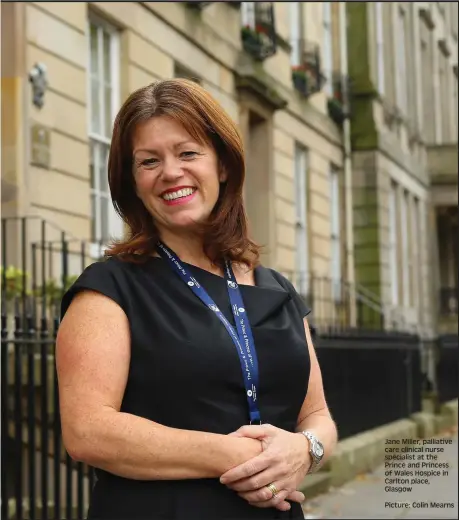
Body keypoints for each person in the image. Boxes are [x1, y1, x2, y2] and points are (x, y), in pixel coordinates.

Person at [56, 78, 338, 520]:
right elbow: (88, 431)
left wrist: (305, 449)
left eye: (188, 153)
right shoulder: (109, 290)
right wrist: (236, 456)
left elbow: (318, 414)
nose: (171, 172)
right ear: (132, 182)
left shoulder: (278, 290)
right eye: (149, 161)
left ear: (222, 165)